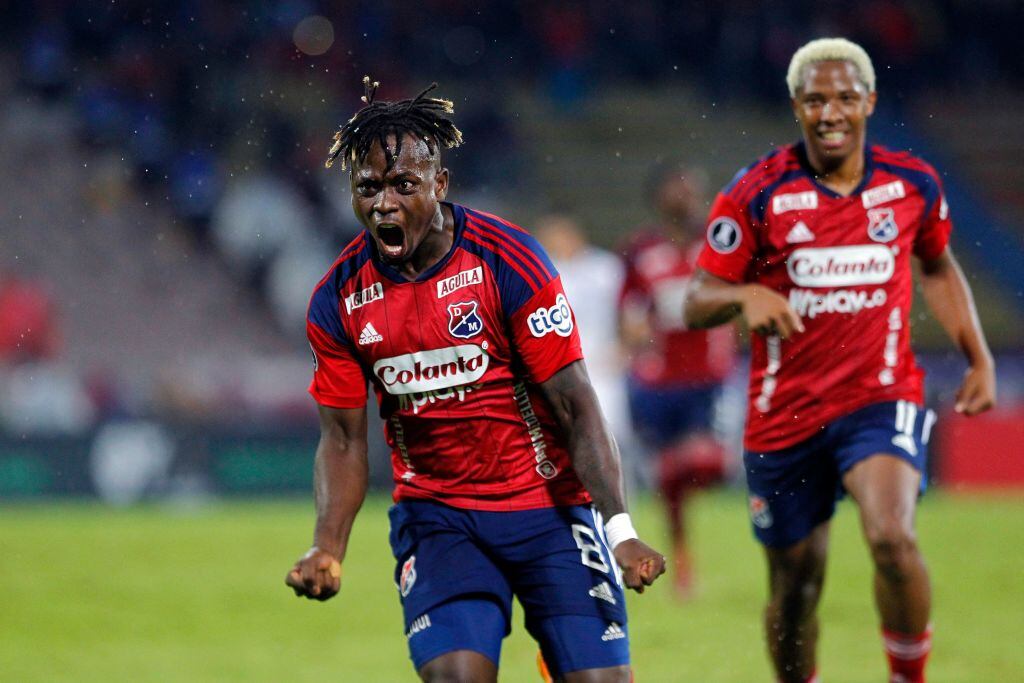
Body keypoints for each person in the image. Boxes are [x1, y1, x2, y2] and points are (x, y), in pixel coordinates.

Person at [285, 78, 665, 683]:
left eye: (403, 185)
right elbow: (342, 439)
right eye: (368, 188)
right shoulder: (339, 297)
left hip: (549, 509)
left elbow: (575, 405)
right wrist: (326, 546)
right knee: (456, 678)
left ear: (439, 184)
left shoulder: (507, 258)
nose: (384, 204)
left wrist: (620, 530)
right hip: (440, 518)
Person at [684, 38, 996, 683]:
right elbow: (695, 301)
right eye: (816, 100)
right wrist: (743, 295)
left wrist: (978, 357)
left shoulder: (911, 183)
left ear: (869, 102)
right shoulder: (756, 191)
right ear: (796, 106)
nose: (831, 113)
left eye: (846, 98)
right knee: (796, 585)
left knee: (892, 537)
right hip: (784, 415)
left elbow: (938, 264)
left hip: (880, 397)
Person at [618, 161, 736, 597]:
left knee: (708, 462)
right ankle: (682, 558)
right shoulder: (641, 250)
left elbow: (747, 295)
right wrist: (638, 335)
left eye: (691, 190)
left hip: (709, 376)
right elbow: (630, 311)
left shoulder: (720, 244)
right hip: (660, 379)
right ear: (659, 199)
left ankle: (686, 479)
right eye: (677, 190)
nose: (685, 198)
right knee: (669, 481)